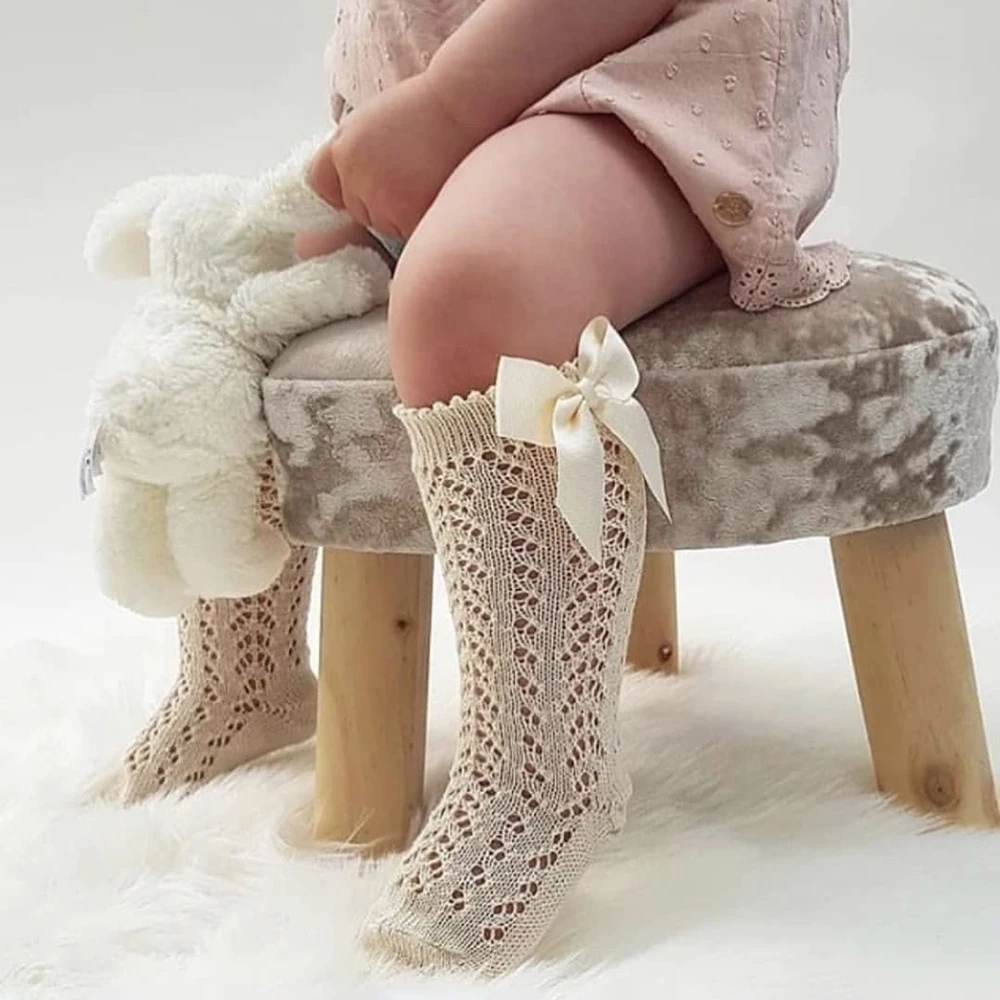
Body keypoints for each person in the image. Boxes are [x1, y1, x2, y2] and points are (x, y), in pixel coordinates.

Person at [122, 0, 851, 974]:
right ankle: (245, 676)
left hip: (650, 74)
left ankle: (539, 767)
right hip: (422, 84)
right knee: (236, 279)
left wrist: (449, 103)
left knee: (475, 285)